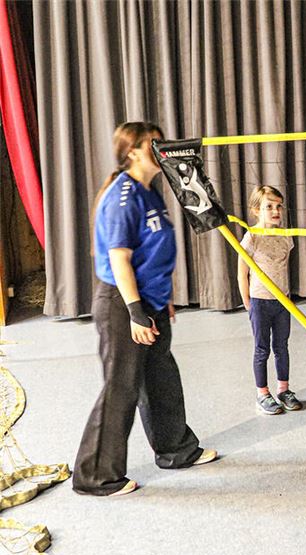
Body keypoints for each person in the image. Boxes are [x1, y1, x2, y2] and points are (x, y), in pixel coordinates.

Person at [73, 121, 217, 497]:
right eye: (154, 143)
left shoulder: (149, 190)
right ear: (133, 151)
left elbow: (152, 251)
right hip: (123, 304)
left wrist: (161, 298)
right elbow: (119, 258)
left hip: (149, 300)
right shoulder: (122, 196)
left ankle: (176, 450)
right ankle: (94, 476)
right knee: (121, 387)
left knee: (160, 379)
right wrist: (136, 312)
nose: (161, 148)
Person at [237, 185, 301, 415]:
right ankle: (262, 394)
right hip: (260, 302)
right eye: (269, 206)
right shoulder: (251, 237)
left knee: (282, 347)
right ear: (256, 210)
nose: (276, 211)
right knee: (262, 349)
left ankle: (283, 390)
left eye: (279, 206)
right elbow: (242, 273)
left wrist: (287, 296)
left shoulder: (285, 236)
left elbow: (282, 268)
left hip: (282, 302)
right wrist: (248, 302)